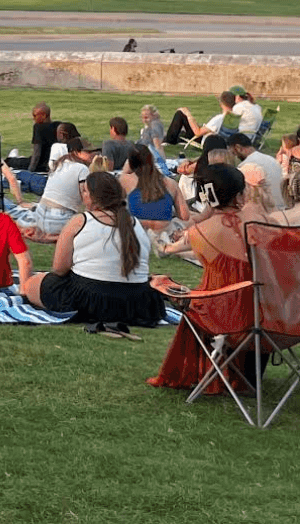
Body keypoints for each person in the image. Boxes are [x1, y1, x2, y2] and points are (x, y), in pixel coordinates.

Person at [149, 164, 264, 390]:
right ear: (240, 194)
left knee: (194, 304)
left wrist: (207, 214)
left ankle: (212, 369)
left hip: (222, 312)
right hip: (262, 310)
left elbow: (202, 251)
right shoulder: (257, 216)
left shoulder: (201, 232)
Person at [23, 172, 164, 330]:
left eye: (85, 191)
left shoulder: (81, 220)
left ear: (94, 197)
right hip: (135, 300)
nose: (82, 195)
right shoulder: (135, 224)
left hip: (89, 298)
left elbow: (59, 269)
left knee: (31, 284)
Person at [14, 137, 95, 242]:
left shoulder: (60, 164)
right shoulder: (82, 169)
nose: (92, 155)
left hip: (40, 215)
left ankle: (47, 237)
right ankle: (57, 237)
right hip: (59, 218)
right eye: (88, 152)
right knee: (91, 229)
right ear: (76, 152)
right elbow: (86, 198)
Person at [119, 144, 188, 236]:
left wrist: (125, 171)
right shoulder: (171, 183)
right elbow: (185, 216)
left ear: (130, 163)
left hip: (138, 233)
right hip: (165, 233)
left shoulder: (125, 180)